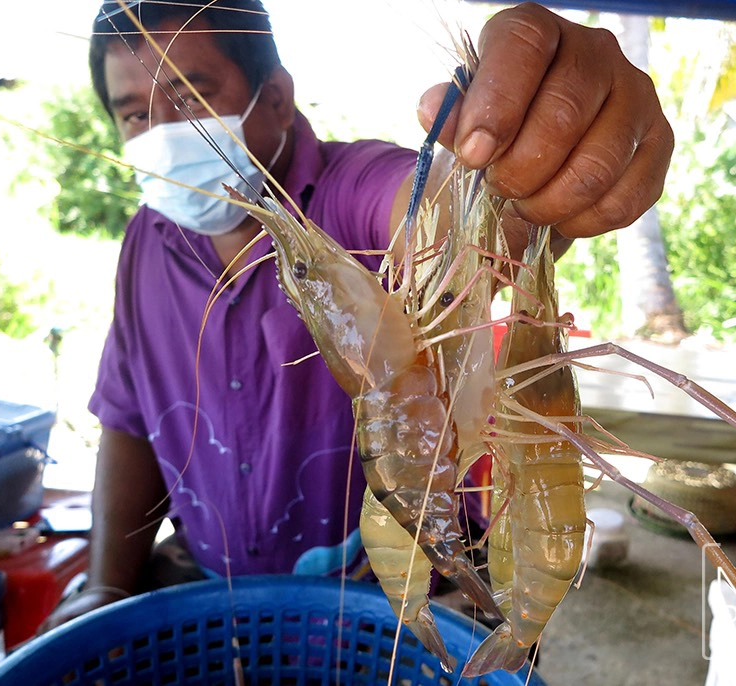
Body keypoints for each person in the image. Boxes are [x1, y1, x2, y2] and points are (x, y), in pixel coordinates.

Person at [41, 0, 672, 631]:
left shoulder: (349, 190)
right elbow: (128, 416)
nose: (158, 132)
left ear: (277, 98)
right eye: (132, 115)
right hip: (223, 597)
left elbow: (432, 215)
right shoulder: (145, 240)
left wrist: (523, 166)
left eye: (187, 98)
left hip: (397, 589)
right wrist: (104, 584)